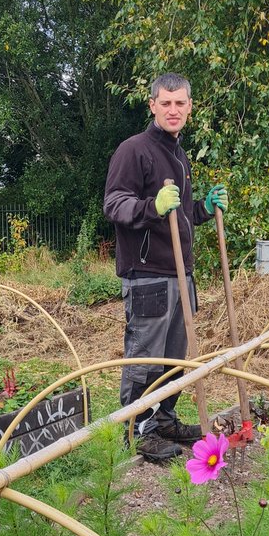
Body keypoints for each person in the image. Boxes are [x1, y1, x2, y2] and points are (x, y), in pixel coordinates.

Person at [103, 73, 228, 462]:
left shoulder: (178, 154)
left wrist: (203, 210)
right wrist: (150, 206)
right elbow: (114, 204)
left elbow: (180, 216)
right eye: (166, 103)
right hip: (148, 276)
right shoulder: (134, 150)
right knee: (146, 357)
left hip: (180, 273)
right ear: (153, 105)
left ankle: (164, 419)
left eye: (180, 103)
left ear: (190, 107)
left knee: (176, 356)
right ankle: (137, 430)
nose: (173, 110)